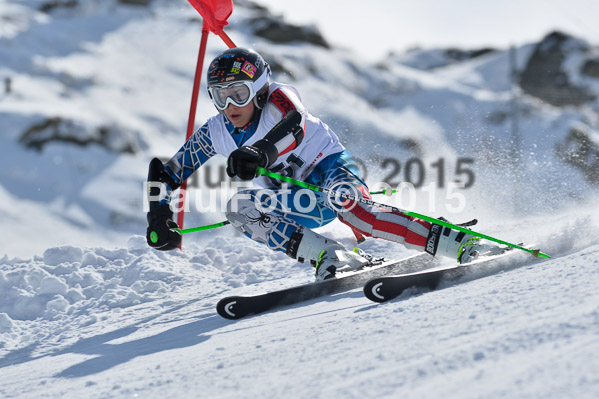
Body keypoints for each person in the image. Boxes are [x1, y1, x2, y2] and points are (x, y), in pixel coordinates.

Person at [146, 47, 491, 280]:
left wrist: (260, 153)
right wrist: (158, 213)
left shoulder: (280, 100)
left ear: (260, 88)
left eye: (239, 93)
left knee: (352, 207)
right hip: (296, 201)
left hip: (330, 172)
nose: (230, 104)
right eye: (220, 96)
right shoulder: (216, 132)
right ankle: (333, 257)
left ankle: (454, 241)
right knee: (239, 208)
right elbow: (168, 172)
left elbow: (292, 125)